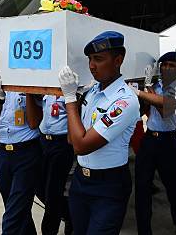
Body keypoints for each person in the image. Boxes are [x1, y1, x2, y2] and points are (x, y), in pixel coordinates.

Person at [58, 31, 140, 234]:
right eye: (90, 59)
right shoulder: (91, 92)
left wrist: (69, 99)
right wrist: (76, 99)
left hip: (108, 186)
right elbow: (71, 138)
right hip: (81, 180)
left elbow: (81, 146)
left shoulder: (124, 101)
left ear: (118, 60)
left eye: (99, 59)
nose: (91, 65)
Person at [0, 43, 40, 235]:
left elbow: (33, 123)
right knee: (16, 208)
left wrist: (27, 88)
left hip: (27, 153)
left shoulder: (24, 87)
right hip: (4, 154)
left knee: (13, 215)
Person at [130, 51, 176, 235]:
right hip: (150, 139)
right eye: (164, 64)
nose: (167, 68)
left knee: (173, 187)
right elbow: (142, 111)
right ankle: (143, 230)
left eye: (172, 65)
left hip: (167, 141)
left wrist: (144, 90)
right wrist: (144, 91)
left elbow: (165, 111)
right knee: (142, 187)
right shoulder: (155, 85)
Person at [25, 90, 74, 234]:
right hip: (44, 141)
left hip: (61, 142)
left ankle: (49, 230)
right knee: (39, 187)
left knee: (53, 192)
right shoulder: (48, 84)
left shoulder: (70, 88)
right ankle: (69, 214)